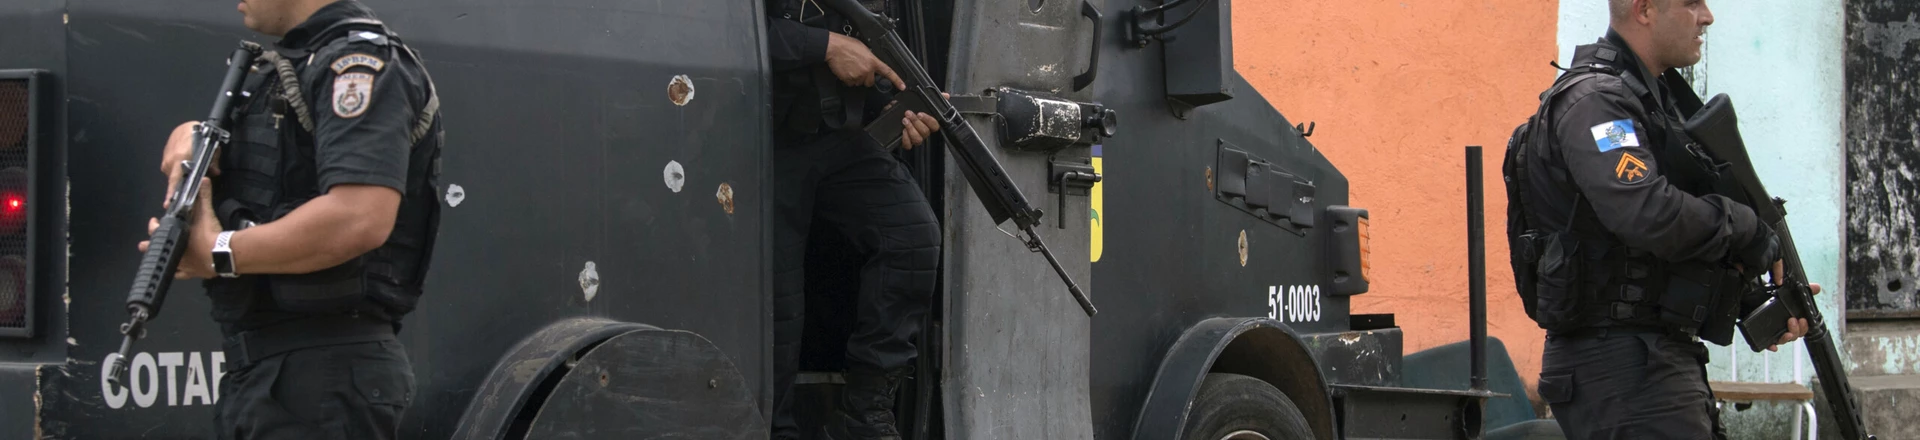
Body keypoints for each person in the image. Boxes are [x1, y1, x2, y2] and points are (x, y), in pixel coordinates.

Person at [1511, 0, 1818, 438]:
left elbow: (1647, 253)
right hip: (1623, 372)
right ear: (1644, 9)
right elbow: (1646, 212)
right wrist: (1743, 226)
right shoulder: (1597, 102)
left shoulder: (1648, 100)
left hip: (1651, 365)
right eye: (1692, 3)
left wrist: (1747, 296)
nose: (1707, 16)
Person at [139, 0, 442, 438]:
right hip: (269, 374)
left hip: (322, 373)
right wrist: (191, 137)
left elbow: (360, 217)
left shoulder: (358, 64)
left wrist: (220, 253)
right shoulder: (294, 65)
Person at [764, 0, 945, 439]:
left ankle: (864, 416)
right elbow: (718, 29)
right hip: (757, 136)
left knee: (912, 239)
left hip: (835, 139)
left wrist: (895, 112)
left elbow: (864, 69)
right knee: (779, 308)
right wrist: (825, 45)